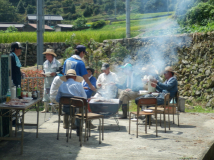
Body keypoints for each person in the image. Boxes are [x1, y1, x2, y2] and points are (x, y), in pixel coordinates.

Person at [56, 69, 87, 136]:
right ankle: (78, 126)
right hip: (77, 108)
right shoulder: (79, 85)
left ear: (66, 77)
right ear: (75, 77)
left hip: (66, 109)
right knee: (81, 109)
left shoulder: (62, 85)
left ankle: (66, 125)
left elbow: (57, 99)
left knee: (68, 108)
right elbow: (84, 97)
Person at [41, 49, 61, 113]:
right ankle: (46, 109)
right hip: (47, 80)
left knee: (54, 93)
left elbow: (61, 73)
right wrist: (43, 73)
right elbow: (44, 70)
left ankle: (54, 109)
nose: (46, 56)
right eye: (46, 55)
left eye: (47, 54)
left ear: (51, 55)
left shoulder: (58, 63)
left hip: (54, 81)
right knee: (46, 93)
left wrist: (55, 73)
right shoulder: (45, 63)